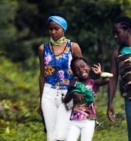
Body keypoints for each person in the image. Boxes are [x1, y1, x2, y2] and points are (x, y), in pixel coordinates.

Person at [38, 13, 83, 141]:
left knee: (63, 134)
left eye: (56, 29)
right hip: (49, 92)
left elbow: (81, 72)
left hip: (67, 93)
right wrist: (41, 100)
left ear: (63, 29)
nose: (53, 32)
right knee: (51, 135)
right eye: (50, 29)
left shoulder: (73, 47)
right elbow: (42, 75)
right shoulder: (43, 49)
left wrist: (79, 92)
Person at [62, 57, 112, 141]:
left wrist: (100, 73)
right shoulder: (74, 84)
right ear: (74, 73)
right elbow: (66, 100)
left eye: (83, 66)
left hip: (89, 120)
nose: (81, 70)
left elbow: (107, 80)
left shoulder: (93, 83)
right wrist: (74, 93)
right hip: (74, 121)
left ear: (88, 67)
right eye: (77, 69)